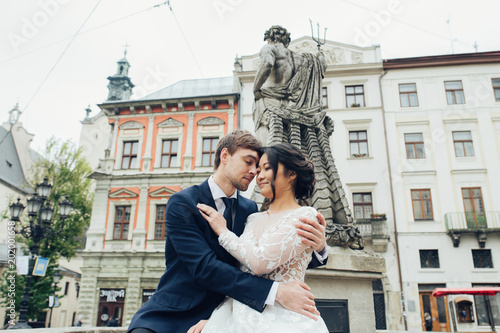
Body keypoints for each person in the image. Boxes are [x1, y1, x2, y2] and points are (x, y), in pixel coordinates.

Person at [128, 130, 328, 333]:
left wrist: (318, 247)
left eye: (258, 167)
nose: (254, 172)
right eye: (248, 162)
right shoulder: (183, 203)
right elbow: (205, 267)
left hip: (233, 309)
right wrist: (275, 292)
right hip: (178, 312)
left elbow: (274, 256)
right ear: (225, 156)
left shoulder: (249, 210)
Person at [194, 143, 328, 332]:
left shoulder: (305, 216)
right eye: (258, 170)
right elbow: (242, 269)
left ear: (291, 174)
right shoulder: (252, 217)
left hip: (285, 317)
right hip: (238, 311)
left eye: (267, 168)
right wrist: (216, 318)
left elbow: (259, 262)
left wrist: (224, 233)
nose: (259, 176)